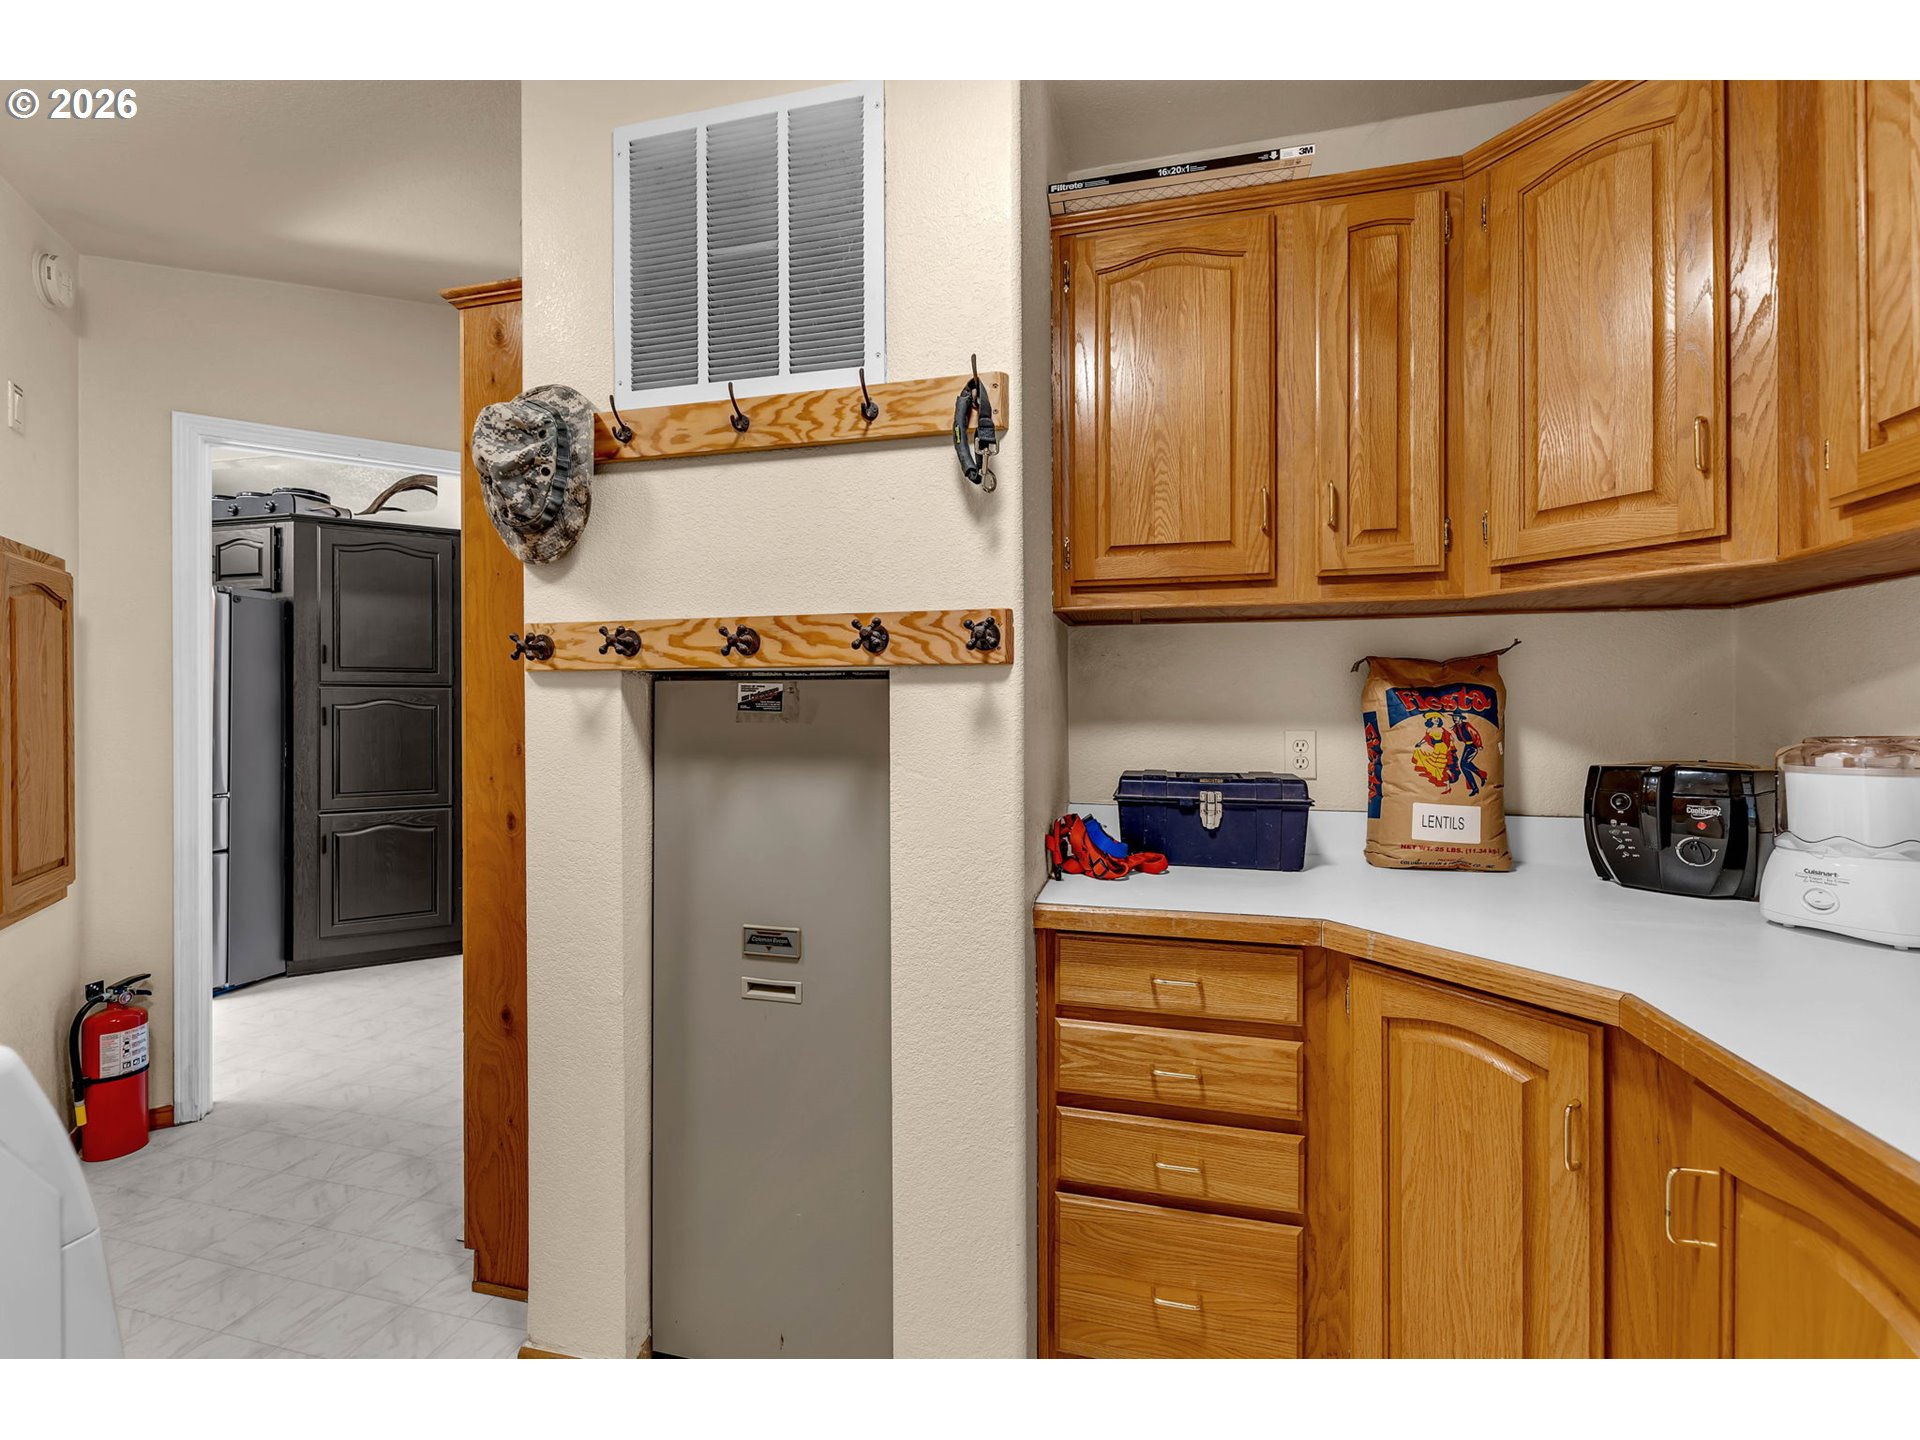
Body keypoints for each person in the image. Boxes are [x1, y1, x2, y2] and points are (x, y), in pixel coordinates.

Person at [1451, 712, 1487, 797]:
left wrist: (1479, 745)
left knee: (1463, 765)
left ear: (1460, 718)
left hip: (1473, 746)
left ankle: (1476, 785)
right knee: (1464, 766)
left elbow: (1475, 734)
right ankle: (1478, 781)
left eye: (1456, 717)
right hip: (1467, 746)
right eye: (1454, 717)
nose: (1455, 719)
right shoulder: (1456, 727)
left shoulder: (1466, 725)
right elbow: (1460, 738)